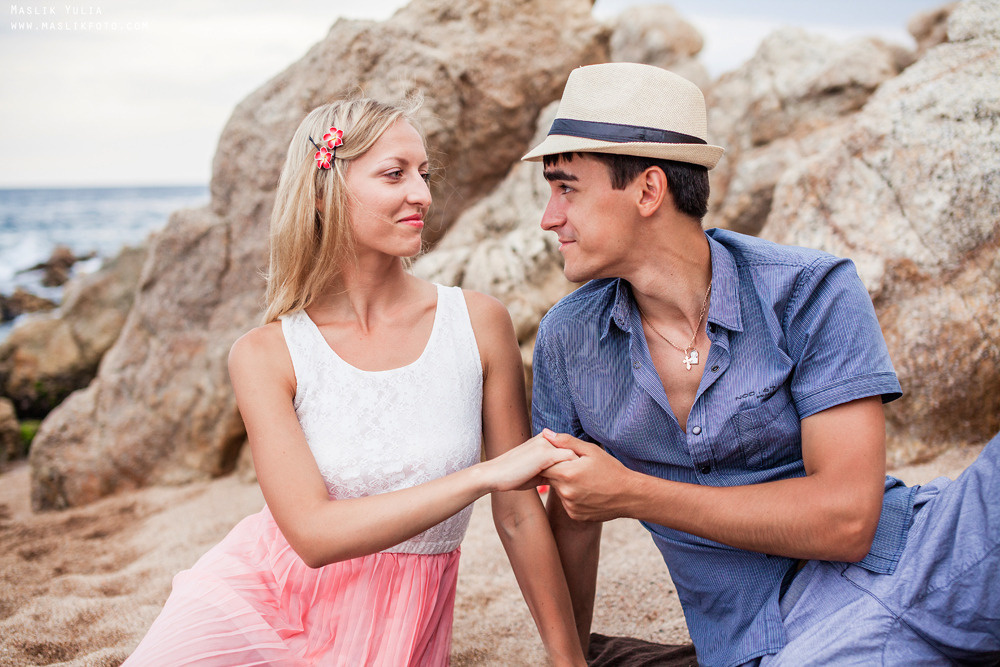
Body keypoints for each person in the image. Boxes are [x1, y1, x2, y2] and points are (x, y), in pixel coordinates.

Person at [524, 62, 1000, 666]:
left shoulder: (808, 289)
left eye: (566, 188)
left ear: (648, 190)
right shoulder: (569, 339)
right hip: (783, 640)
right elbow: (572, 514)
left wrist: (634, 493)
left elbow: (847, 521)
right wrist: (567, 660)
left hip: (928, 555)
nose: (549, 217)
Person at [125, 95, 587, 666]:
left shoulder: (477, 323)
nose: (422, 194)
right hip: (257, 608)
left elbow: (518, 515)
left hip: (400, 626)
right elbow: (314, 537)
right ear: (324, 193)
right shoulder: (266, 354)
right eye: (394, 174)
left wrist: (569, 661)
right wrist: (483, 475)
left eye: (423, 173)